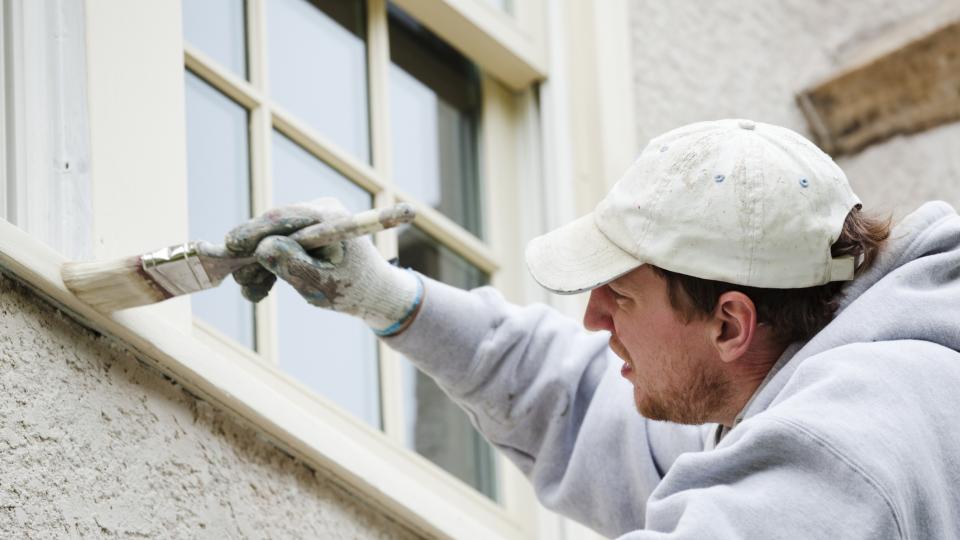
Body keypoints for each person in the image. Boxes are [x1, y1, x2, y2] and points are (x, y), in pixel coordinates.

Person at [224, 119, 960, 539]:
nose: (593, 317)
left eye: (621, 297)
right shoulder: (785, 375)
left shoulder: (851, 446)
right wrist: (385, 295)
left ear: (731, 323)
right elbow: (576, 399)